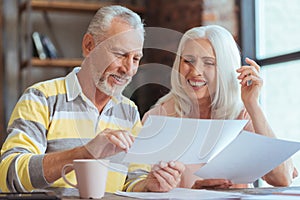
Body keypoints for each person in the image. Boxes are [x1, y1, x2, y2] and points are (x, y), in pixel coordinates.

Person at [0, 5, 184, 196]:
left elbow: (133, 178)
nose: (129, 69)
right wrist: (84, 153)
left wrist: (148, 183)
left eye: (136, 58)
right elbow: (8, 174)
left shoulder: (128, 111)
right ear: (89, 46)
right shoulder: (42, 98)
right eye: (121, 54)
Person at [127, 25, 298, 191]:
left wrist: (253, 104)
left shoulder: (241, 116)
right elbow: (137, 183)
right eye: (188, 61)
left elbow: (281, 178)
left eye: (209, 63)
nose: (195, 72)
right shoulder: (159, 116)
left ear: (226, 69)